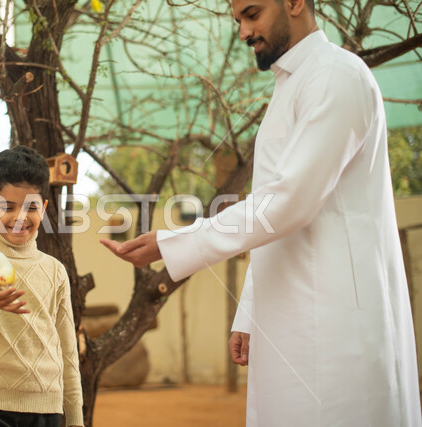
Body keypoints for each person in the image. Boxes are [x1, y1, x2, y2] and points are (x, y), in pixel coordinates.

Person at [100, 0, 422, 425]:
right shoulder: (292, 84)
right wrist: (251, 310)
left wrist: (172, 241)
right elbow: (269, 208)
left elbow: (289, 202)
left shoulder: (337, 76)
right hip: (289, 317)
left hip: (336, 321)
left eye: (252, 14)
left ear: (294, 3)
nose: (244, 32)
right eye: (238, 20)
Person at [0, 145, 84, 427]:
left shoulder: (55, 270)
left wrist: (75, 420)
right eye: (7, 207)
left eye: (31, 207)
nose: (20, 217)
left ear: (44, 208)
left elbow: (68, 352)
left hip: (48, 409)